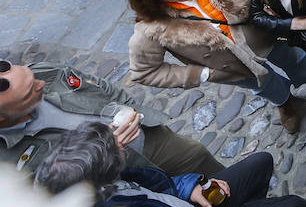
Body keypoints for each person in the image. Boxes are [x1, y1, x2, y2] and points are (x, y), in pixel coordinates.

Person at [122, 0, 306, 133]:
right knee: (262, 86)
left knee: (295, 59)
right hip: (233, 68)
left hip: (266, 37)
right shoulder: (152, 27)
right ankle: (284, 101)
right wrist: (202, 74)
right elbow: (143, 71)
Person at [0, 59, 222, 178]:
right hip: (124, 181)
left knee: (203, 161)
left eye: (33, 78)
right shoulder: (6, 167)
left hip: (152, 142)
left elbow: (97, 85)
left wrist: (129, 107)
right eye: (29, 92)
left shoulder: (40, 72)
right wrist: (104, 155)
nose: (41, 84)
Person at [33, 122, 304, 207]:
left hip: (191, 201)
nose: (122, 142)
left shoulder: (111, 176)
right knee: (295, 205)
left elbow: (162, 185)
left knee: (262, 162)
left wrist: (189, 187)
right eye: (116, 146)